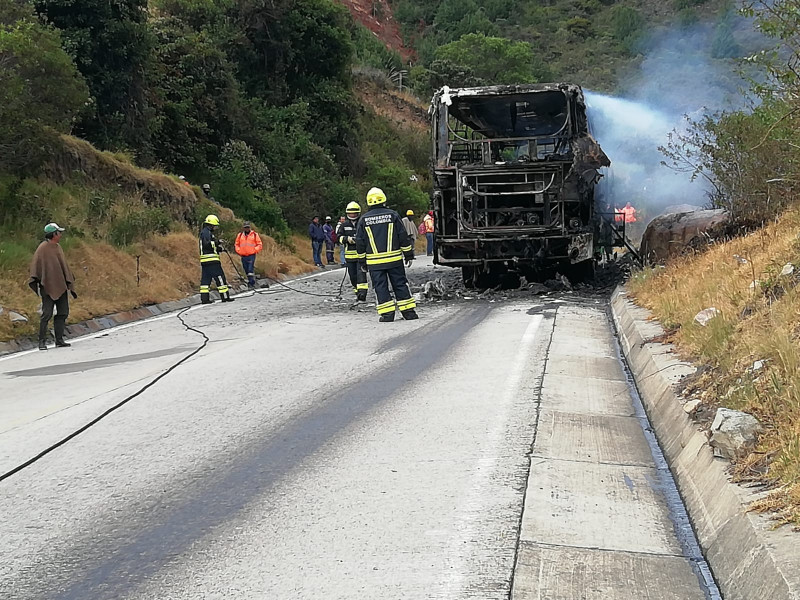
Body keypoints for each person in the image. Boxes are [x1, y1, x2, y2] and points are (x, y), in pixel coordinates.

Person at [356, 187, 418, 322]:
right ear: (384, 200)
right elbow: (403, 236)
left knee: (380, 287)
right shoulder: (393, 215)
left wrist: (362, 262)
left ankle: (387, 315)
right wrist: (408, 254)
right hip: (394, 260)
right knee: (400, 284)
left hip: (374, 263)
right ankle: (408, 312)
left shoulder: (363, 220)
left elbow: (360, 243)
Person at [28, 223, 77, 350]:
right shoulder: (42, 249)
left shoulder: (58, 247)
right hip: (47, 287)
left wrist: (68, 281)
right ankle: (41, 342)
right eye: (59, 232)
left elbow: (63, 266)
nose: (60, 235)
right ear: (54, 234)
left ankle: (59, 340)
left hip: (60, 286)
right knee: (47, 314)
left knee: (63, 312)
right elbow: (37, 268)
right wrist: (40, 282)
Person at [337, 202, 369, 302]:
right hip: (350, 257)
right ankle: (357, 292)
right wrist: (348, 239)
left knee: (361, 275)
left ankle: (362, 294)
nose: (352, 215)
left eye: (354, 213)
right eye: (351, 213)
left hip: (361, 256)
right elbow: (338, 238)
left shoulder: (362, 223)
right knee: (353, 276)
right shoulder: (344, 225)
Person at [199, 214, 234, 304]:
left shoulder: (204, 232)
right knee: (220, 277)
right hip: (212, 261)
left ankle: (205, 299)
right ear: (211, 225)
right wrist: (218, 242)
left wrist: (220, 249)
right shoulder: (207, 233)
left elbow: (209, 246)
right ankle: (225, 297)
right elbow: (208, 244)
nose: (216, 228)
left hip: (205, 261)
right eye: (215, 226)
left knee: (205, 280)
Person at [234, 221, 263, 289]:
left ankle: (251, 283)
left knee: (250, 269)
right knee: (246, 269)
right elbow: (236, 244)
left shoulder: (255, 235)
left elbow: (259, 244)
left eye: (247, 227)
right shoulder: (240, 235)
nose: (246, 229)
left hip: (251, 255)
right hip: (243, 255)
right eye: (245, 227)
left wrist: (254, 250)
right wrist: (239, 251)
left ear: (249, 227)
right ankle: (251, 281)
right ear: (243, 228)